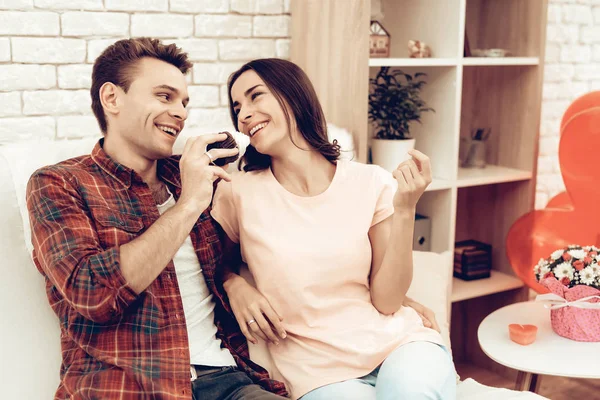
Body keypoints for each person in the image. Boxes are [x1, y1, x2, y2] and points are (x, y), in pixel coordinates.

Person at [26, 38, 288, 400]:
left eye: (183, 103)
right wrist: (188, 204)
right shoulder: (59, 183)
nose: (180, 113)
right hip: (126, 387)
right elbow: (93, 294)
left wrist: (233, 282)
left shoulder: (189, 173)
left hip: (226, 380)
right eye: (164, 97)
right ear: (112, 98)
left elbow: (231, 258)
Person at [210, 58, 457, 400]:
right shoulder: (238, 192)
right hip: (318, 373)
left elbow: (387, 301)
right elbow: (210, 263)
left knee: (408, 392)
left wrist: (405, 210)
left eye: (255, 96)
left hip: (400, 346)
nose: (244, 115)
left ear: (293, 95)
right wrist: (234, 283)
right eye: (237, 107)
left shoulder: (370, 182)